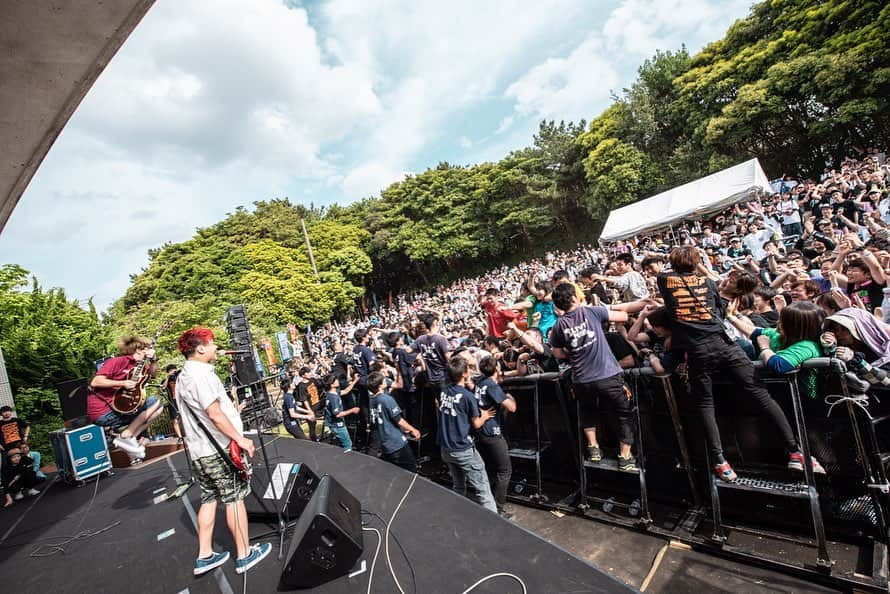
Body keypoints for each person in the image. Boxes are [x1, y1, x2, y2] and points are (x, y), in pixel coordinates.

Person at [657, 246, 814, 481]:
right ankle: (795, 451)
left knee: (705, 403)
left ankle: (720, 462)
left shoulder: (664, 279)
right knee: (760, 394)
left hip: (698, 349)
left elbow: (669, 274)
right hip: (725, 345)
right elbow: (718, 309)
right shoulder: (708, 284)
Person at [174, 327, 270, 576]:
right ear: (201, 348)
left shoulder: (184, 375)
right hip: (217, 449)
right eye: (212, 343)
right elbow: (214, 414)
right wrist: (241, 439)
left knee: (208, 498)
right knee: (234, 498)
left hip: (199, 451)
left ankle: (205, 554)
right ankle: (244, 554)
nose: (217, 347)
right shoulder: (200, 376)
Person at [549, 283, 638, 472]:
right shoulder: (590, 312)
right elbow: (623, 316)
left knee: (587, 411)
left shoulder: (558, 326)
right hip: (607, 375)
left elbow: (556, 353)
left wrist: (571, 351)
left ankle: (594, 449)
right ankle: (625, 456)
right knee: (624, 412)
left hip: (581, 379)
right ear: (574, 297)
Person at [86, 335, 164, 462]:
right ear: (138, 350)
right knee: (154, 402)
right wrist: (122, 383)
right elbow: (95, 382)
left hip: (122, 408)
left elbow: (153, 375)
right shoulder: (118, 361)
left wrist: (154, 360)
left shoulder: (141, 366)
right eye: (147, 349)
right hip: (103, 411)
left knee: (158, 407)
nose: (150, 350)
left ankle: (130, 437)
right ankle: (126, 435)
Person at [437, 357, 497, 512]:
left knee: (458, 485)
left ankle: (457, 514)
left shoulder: (444, 391)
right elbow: (476, 424)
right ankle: (494, 522)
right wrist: (484, 416)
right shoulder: (467, 396)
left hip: (446, 448)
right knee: (483, 490)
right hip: (462, 448)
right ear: (464, 373)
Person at [473, 356, 516, 518]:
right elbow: (511, 408)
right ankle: (497, 509)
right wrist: (510, 397)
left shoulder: (480, 381)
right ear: (496, 368)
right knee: (505, 470)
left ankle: (488, 502)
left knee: (490, 468)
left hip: (480, 431)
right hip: (492, 432)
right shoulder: (491, 385)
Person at [368, 371, 420, 471]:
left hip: (385, 442)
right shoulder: (387, 399)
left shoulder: (372, 400)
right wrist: (413, 429)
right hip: (395, 442)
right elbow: (398, 419)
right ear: (380, 385)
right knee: (411, 468)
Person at [322, 373, 360, 451]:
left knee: (340, 444)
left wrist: (355, 381)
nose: (337, 381)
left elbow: (346, 391)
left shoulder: (333, 393)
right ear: (331, 384)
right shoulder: (333, 398)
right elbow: (338, 414)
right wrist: (352, 410)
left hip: (334, 424)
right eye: (335, 380)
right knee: (348, 445)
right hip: (337, 425)